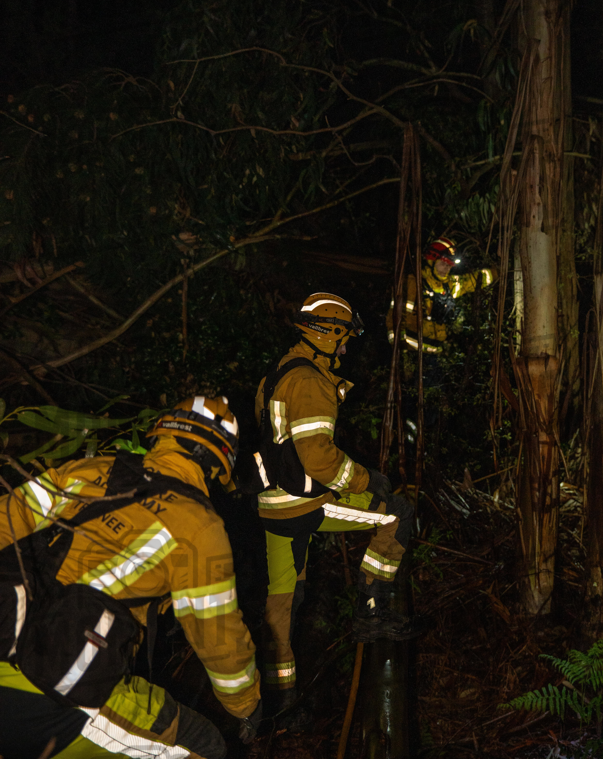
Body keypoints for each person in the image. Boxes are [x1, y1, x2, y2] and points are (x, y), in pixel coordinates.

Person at [0, 395, 262, 759]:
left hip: (5, 642)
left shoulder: (89, 470)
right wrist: (245, 705)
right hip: (61, 685)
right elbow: (218, 637)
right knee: (204, 746)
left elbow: (7, 517)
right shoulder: (198, 526)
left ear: (162, 434)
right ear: (219, 463)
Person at [254, 292, 422, 722]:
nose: (346, 347)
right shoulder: (310, 381)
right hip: (305, 504)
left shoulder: (279, 370)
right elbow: (319, 460)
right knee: (396, 514)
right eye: (344, 337)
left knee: (282, 606)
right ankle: (371, 612)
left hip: (272, 504)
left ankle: (281, 703)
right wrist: (369, 480)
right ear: (326, 334)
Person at [386, 236, 497, 354]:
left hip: (435, 356)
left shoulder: (447, 286)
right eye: (443, 263)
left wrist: (497, 273)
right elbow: (395, 319)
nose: (446, 269)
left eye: (449, 265)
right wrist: (401, 352)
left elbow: (470, 281)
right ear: (431, 260)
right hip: (413, 355)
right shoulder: (413, 283)